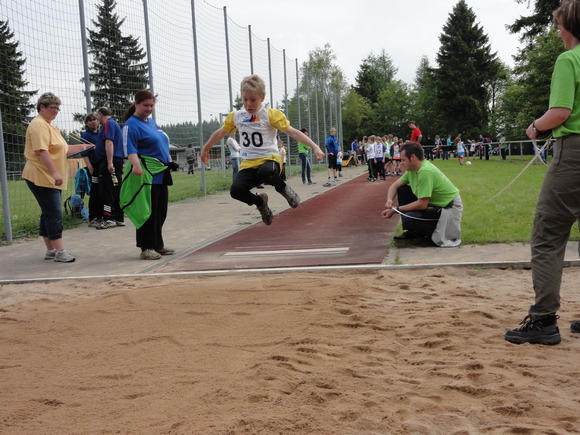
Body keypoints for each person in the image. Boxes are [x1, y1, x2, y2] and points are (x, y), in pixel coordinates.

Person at [505, 0, 580, 345]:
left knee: (548, 234)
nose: (556, 29)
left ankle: (544, 319)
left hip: (573, 155)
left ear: (570, 27)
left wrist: (536, 126)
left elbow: (561, 111)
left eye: (560, 24)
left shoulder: (568, 59)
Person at [201, 75, 323, 226]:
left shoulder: (270, 115)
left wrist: (315, 147)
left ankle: (283, 189)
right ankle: (260, 202)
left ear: (262, 97)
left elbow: (292, 132)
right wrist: (206, 147)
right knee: (236, 190)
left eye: (253, 100)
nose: (248, 104)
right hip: (249, 164)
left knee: (266, 172)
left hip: (269, 159)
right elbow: (221, 132)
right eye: (245, 100)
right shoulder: (237, 116)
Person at [22, 92, 94, 262]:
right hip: (41, 176)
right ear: (42, 107)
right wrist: (55, 173)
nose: (56, 111)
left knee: (48, 212)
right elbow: (42, 151)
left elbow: (63, 149)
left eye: (57, 108)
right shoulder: (38, 125)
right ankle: (59, 251)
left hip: (48, 177)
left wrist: (84, 146)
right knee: (54, 212)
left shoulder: (50, 126)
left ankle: (51, 250)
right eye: (52, 107)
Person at [120, 90, 176, 260]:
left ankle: (158, 244)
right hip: (146, 174)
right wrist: (136, 166)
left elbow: (161, 142)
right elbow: (129, 148)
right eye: (146, 105)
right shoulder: (131, 125)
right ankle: (146, 247)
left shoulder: (151, 123)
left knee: (161, 211)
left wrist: (169, 159)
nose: (149, 108)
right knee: (147, 211)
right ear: (136, 104)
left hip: (161, 173)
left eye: (151, 105)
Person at [381, 141, 463, 247]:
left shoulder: (425, 171)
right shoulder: (412, 170)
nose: (401, 163)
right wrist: (389, 200)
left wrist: (396, 209)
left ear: (413, 157)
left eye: (403, 160)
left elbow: (422, 204)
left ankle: (421, 233)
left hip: (449, 207)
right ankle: (414, 232)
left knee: (410, 217)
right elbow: (395, 186)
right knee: (402, 190)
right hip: (437, 205)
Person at [94, 107, 125, 229]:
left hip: (110, 162)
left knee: (106, 190)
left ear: (100, 114)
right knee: (115, 188)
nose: (97, 118)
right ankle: (118, 217)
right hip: (115, 160)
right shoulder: (113, 124)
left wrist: (109, 162)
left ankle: (108, 218)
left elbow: (109, 142)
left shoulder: (108, 123)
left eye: (97, 116)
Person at [80, 113, 102, 227]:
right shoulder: (85, 135)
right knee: (95, 191)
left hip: (103, 165)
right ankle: (93, 217)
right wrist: (90, 166)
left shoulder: (101, 133)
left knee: (103, 190)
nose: (94, 122)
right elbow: (84, 153)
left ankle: (102, 215)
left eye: (95, 119)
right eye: (91, 120)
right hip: (94, 166)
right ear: (87, 123)